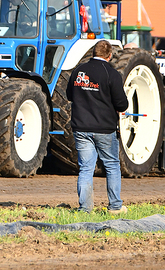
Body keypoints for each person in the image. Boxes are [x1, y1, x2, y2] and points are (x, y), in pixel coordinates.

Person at [66, 40, 129, 214]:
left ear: (93, 53)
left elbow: (69, 95)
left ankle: (85, 208)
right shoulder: (112, 74)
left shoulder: (78, 71)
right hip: (104, 129)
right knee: (111, 165)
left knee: (86, 168)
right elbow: (122, 104)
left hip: (81, 128)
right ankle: (115, 206)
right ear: (109, 56)